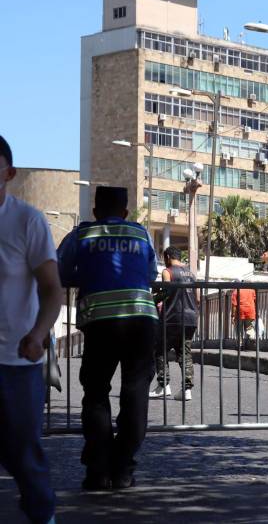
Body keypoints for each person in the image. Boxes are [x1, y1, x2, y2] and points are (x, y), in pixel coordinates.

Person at [58, 186, 159, 491]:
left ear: (95, 211)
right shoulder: (141, 233)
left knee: (96, 393)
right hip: (141, 321)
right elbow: (151, 274)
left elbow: (60, 272)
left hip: (100, 322)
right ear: (125, 212)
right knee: (136, 394)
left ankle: (98, 471)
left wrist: (87, 275)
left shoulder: (82, 234)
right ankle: (123, 468)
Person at [0, 135, 62, 523]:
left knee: (24, 454)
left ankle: (43, 515)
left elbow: (52, 289)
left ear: (9, 174)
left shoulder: (27, 221)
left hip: (16, 361)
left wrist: (38, 334)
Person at [150, 246, 199, 402]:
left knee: (160, 350)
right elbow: (197, 298)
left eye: (164, 258)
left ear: (168, 257)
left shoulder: (168, 272)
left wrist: (152, 298)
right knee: (185, 354)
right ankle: (187, 390)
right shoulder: (191, 274)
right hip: (190, 318)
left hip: (172, 318)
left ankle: (163, 385)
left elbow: (166, 292)